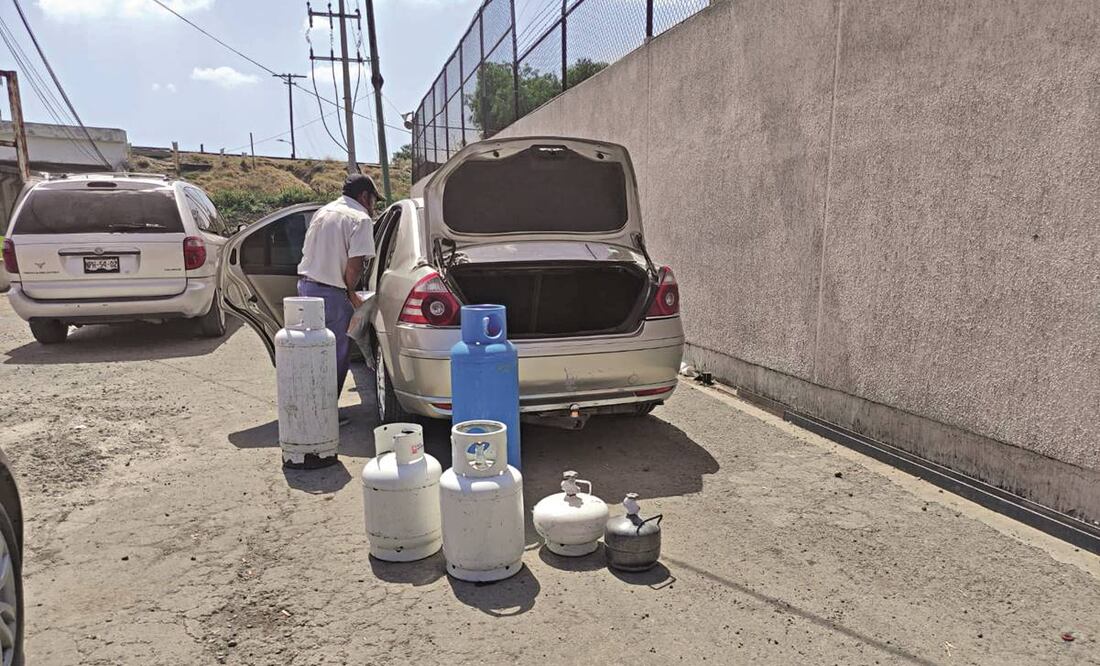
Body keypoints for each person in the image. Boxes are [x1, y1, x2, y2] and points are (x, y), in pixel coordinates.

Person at [297, 174, 380, 406]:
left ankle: (309, 406)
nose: (374, 207)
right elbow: (354, 266)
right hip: (332, 294)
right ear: (364, 196)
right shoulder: (360, 219)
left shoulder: (323, 212)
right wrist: (351, 293)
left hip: (305, 287)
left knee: (312, 352)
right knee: (335, 356)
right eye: (374, 200)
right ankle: (324, 413)